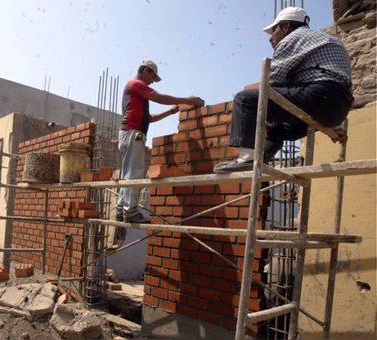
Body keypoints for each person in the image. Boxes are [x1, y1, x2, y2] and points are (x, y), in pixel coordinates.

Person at [214, 7, 353, 173]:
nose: (271, 38)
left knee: (245, 99)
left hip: (319, 94)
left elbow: (271, 85)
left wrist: (251, 96)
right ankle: (260, 157)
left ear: (286, 27)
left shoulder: (293, 38)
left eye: (274, 31)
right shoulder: (328, 39)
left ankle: (247, 158)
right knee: (278, 131)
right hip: (337, 110)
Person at [116, 59, 204, 224]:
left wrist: (171, 112)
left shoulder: (137, 94)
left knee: (128, 174)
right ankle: (131, 212)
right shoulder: (136, 83)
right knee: (135, 173)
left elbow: (149, 118)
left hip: (129, 134)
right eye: (152, 78)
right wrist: (188, 100)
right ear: (146, 71)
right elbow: (160, 98)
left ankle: (122, 210)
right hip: (132, 134)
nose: (152, 82)